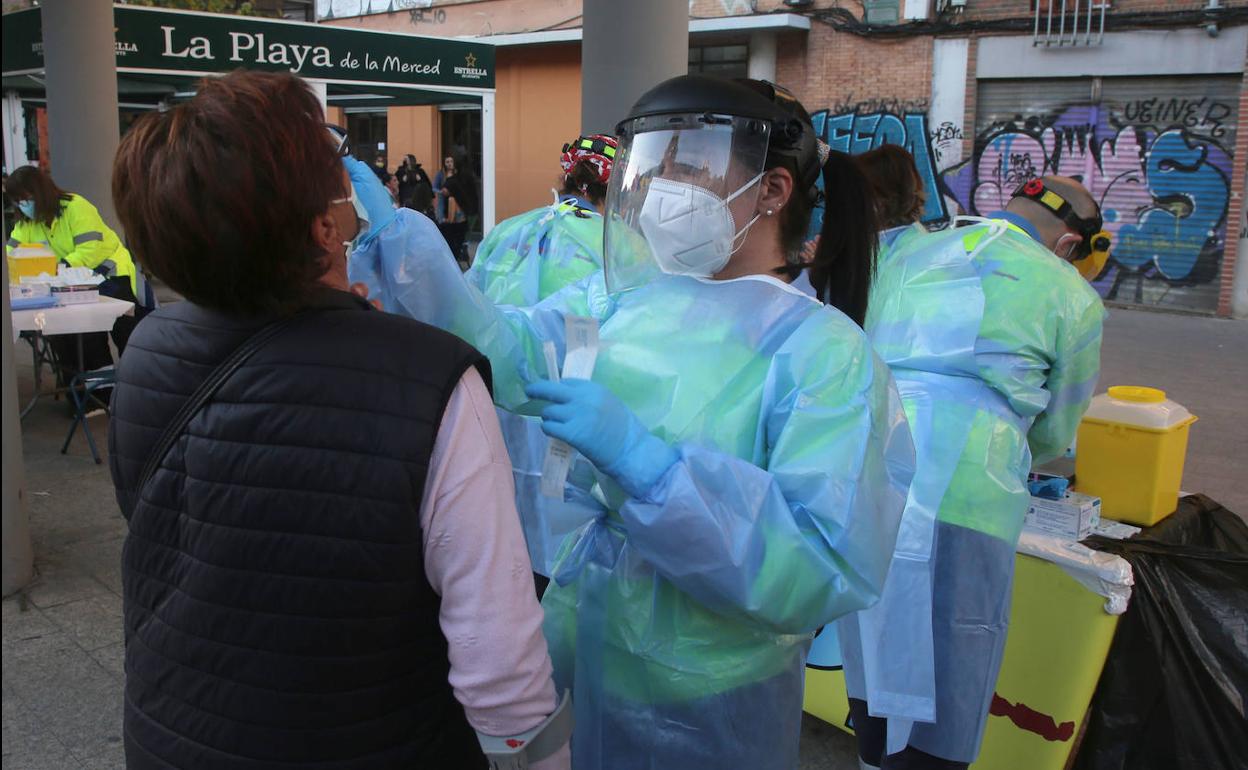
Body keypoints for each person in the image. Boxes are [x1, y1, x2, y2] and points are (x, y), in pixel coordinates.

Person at [350, 74, 915, 769]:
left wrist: (652, 471)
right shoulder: (623, 301)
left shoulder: (826, 353)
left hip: (710, 687)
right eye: (657, 162)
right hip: (588, 638)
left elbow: (824, 566)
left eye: (690, 162)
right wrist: (406, 249)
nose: (661, 185)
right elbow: (504, 347)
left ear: (772, 190)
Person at [107, 70, 569, 770]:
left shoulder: (145, 350)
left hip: (171, 732)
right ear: (325, 228)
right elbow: (498, 657)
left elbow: (189, 538)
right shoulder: (433, 380)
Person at [839, 174, 1106, 769]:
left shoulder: (902, 248)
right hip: (974, 489)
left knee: (873, 640)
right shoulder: (1071, 294)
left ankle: (872, 754)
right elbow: (1057, 430)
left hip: (872, 469)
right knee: (955, 652)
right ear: (1068, 246)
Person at [464, 134, 618, 586]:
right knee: (559, 547)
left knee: (499, 531)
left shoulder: (506, 231)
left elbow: (467, 306)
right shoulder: (614, 242)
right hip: (565, 414)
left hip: (492, 405)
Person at [5, 165, 140, 378]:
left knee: (128, 336)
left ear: (40, 192)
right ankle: (92, 394)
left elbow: (90, 250)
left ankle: (137, 382)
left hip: (109, 276)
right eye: (17, 201)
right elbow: (11, 254)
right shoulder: (28, 223)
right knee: (76, 337)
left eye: (26, 198)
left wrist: (52, 270)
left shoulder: (75, 207)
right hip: (68, 286)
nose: (23, 205)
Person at [433, 154, 455, 222]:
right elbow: (434, 187)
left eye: (451, 161)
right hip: (443, 200)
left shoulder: (457, 173)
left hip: (455, 200)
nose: (449, 164)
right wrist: (441, 192)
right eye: (447, 162)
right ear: (444, 163)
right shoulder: (440, 174)